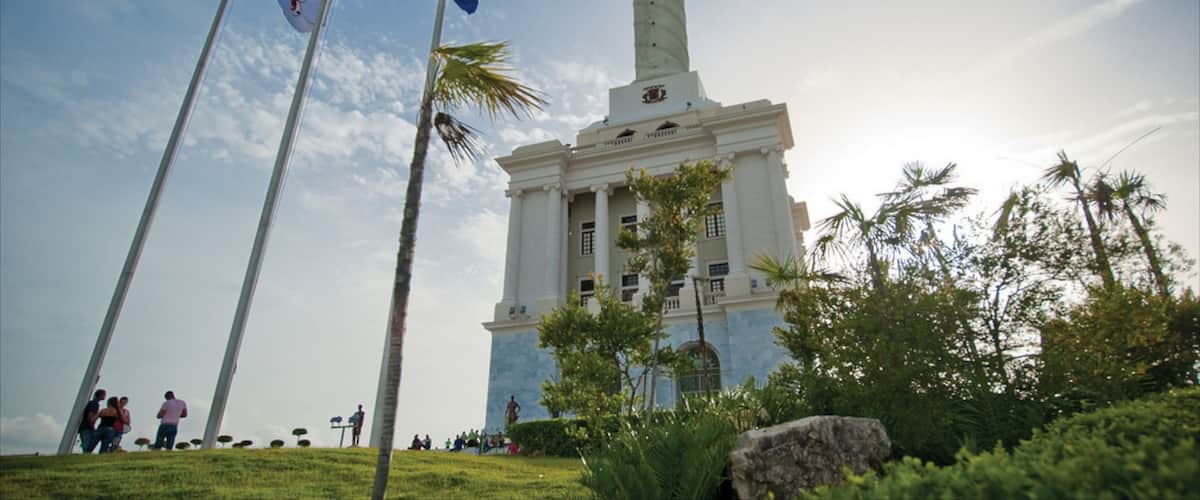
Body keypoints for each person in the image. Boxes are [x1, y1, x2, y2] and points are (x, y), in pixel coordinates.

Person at [77, 389, 106, 453]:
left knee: (87, 446)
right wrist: (92, 426)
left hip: (85, 427)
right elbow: (90, 416)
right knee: (87, 446)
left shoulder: (93, 403)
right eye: (104, 394)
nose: (105, 396)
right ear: (101, 395)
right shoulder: (94, 403)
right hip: (87, 427)